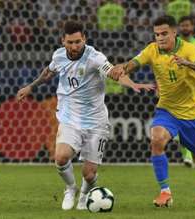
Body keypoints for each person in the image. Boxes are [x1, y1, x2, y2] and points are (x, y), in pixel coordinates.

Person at [16, 20, 154, 210]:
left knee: (89, 174)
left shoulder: (94, 57)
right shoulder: (58, 56)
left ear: (84, 39)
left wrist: (132, 84)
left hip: (96, 121)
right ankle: (70, 188)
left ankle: (84, 195)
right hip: (69, 118)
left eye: (78, 42)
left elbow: (114, 72)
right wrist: (31, 86)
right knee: (61, 157)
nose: (74, 46)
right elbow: (48, 72)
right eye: (70, 42)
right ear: (63, 41)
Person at [112, 15, 195, 209]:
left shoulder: (189, 49)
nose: (160, 38)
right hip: (167, 109)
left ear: (174, 32)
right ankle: (165, 192)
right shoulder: (152, 50)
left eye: (164, 33)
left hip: (192, 112)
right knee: (157, 139)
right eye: (156, 34)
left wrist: (188, 63)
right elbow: (133, 63)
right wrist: (121, 69)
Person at [176, 15, 195, 167]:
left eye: (187, 25)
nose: (185, 28)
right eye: (182, 25)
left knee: (191, 124)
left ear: (192, 27)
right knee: (178, 127)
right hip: (176, 90)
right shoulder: (174, 45)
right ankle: (187, 155)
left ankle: (189, 156)